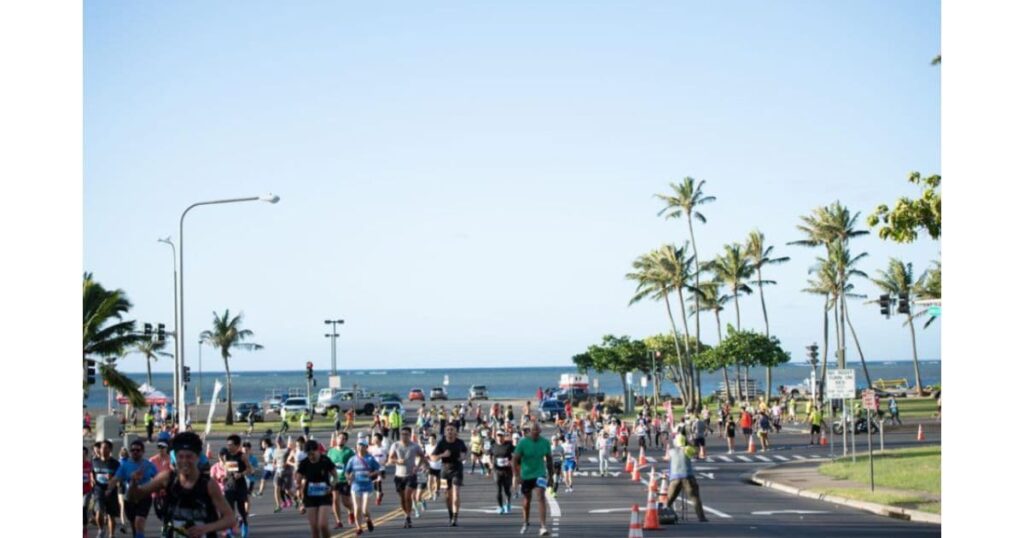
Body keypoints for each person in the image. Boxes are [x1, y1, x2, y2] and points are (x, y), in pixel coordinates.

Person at [128, 431, 236, 537]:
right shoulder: (167, 478)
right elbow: (134, 497)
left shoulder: (208, 484)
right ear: (175, 457)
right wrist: (133, 483)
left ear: (198, 457)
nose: (184, 461)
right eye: (180, 457)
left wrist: (205, 528)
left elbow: (230, 519)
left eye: (189, 457)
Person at [110, 439, 158, 538]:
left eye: (138, 450)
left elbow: (158, 478)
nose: (135, 452)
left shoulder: (148, 465)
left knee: (139, 521)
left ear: (143, 451)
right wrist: (107, 489)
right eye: (133, 450)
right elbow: (115, 479)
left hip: (144, 497)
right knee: (133, 524)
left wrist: (160, 489)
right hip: (129, 498)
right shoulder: (125, 466)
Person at [514, 421, 552, 536]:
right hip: (526, 475)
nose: (536, 434)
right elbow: (514, 460)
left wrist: (551, 476)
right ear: (530, 431)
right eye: (533, 431)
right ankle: (526, 521)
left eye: (537, 431)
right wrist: (517, 476)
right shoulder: (523, 443)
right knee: (527, 500)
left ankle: (543, 526)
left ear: (540, 431)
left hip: (540, 474)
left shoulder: (545, 442)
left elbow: (549, 460)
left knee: (541, 496)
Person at [296, 439, 337, 538]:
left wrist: (331, 486)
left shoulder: (325, 460)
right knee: (314, 528)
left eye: (313, 454)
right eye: (309, 454)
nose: (311, 457)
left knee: (323, 525)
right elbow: (298, 483)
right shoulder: (304, 463)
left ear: (317, 450)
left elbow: (335, 476)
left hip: (324, 496)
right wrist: (301, 502)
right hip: (310, 497)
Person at [661, 437, 708, 522]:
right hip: (688, 476)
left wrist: (667, 448)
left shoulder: (672, 451)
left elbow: (666, 458)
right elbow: (697, 452)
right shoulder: (688, 449)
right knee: (695, 498)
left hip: (675, 477)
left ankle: (664, 515)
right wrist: (689, 443)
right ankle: (701, 517)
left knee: (669, 499)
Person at [431, 424, 469, 526]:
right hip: (445, 471)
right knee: (447, 496)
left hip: (457, 469)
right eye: (447, 430)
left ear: (455, 431)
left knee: (456, 493)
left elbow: (465, 452)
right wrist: (442, 455)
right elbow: (433, 457)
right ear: (445, 432)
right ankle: (451, 515)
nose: (450, 431)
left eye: (452, 429)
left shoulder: (460, 442)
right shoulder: (441, 443)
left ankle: (455, 518)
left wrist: (463, 457)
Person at [388, 426, 426, 528]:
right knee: (402, 498)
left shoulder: (415, 446)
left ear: (409, 435)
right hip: (399, 475)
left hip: (411, 475)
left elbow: (422, 456)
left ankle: (408, 516)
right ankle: (406, 515)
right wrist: (397, 461)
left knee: (407, 496)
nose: (403, 436)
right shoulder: (395, 445)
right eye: (402, 434)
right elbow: (390, 459)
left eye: (406, 434)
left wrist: (417, 467)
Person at [345, 437, 382, 535]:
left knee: (365, 510)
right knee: (357, 508)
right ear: (356, 446)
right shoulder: (352, 459)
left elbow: (378, 470)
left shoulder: (370, 459)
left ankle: (368, 520)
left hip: (367, 487)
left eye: (362, 445)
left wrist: (372, 474)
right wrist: (349, 478)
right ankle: (359, 527)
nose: (360, 447)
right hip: (356, 487)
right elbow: (347, 471)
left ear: (366, 447)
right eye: (359, 445)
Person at [222, 434, 251, 536]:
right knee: (230, 510)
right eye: (228, 444)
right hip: (229, 486)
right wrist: (224, 477)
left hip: (240, 486)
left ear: (237, 445)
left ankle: (245, 527)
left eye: (231, 445)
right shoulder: (226, 456)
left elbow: (249, 469)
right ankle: (230, 531)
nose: (228, 446)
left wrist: (241, 474)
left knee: (241, 510)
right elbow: (227, 470)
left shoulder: (242, 456)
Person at [91, 439, 120, 538]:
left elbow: (119, 478)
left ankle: (111, 535)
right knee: (99, 512)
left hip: (111, 490)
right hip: (99, 489)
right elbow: (92, 472)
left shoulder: (115, 463)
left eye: (106, 448)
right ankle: (101, 530)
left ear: (110, 450)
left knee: (111, 515)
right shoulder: (95, 461)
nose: (103, 450)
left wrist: (112, 479)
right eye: (102, 448)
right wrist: (92, 479)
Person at [489, 430, 515, 514]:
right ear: (496, 437)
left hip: (507, 471)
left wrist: (512, 461)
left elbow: (515, 453)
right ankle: (500, 507)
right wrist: (490, 463)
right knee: (498, 489)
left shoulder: (509, 445)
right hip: (497, 470)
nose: (499, 437)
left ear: (504, 436)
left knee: (507, 489)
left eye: (501, 436)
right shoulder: (493, 446)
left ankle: (508, 502)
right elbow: (489, 455)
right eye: (498, 436)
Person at [368, 432, 388, 506]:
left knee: (378, 482)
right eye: (373, 438)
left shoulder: (384, 449)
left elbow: (388, 456)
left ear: (379, 440)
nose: (373, 440)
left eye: (375, 438)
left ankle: (378, 498)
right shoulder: (371, 448)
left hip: (381, 468)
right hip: (373, 469)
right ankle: (380, 493)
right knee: (375, 484)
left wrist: (386, 462)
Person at [423, 433, 442, 501]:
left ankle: (437, 491)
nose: (431, 440)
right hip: (430, 465)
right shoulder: (427, 446)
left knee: (436, 480)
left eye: (432, 439)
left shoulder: (438, 447)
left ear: (435, 440)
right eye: (430, 439)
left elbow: (441, 455)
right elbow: (425, 454)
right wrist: (426, 459)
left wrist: (436, 458)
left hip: (438, 465)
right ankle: (430, 494)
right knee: (429, 480)